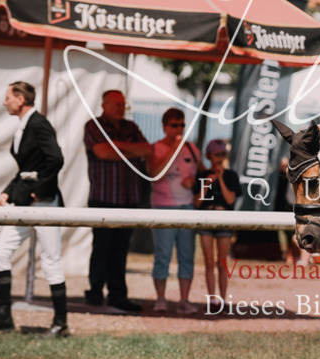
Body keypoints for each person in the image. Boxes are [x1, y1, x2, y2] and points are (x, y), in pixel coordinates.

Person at [0, 82, 68, 336]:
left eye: (8, 98)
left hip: (44, 203)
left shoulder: (38, 123)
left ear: (20, 99)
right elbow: (26, 167)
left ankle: (61, 323)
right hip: (24, 203)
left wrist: (40, 190)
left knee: (50, 261)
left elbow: (56, 159)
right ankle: (4, 315)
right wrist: (9, 189)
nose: (4, 102)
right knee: (2, 252)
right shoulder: (25, 125)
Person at [84, 89, 151, 311]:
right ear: (104, 105)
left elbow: (146, 149)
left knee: (121, 248)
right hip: (103, 198)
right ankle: (95, 291)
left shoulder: (130, 127)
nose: (121, 108)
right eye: (117, 104)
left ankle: (117, 295)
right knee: (102, 246)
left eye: (123, 104)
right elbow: (102, 152)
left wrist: (117, 146)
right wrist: (128, 150)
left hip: (128, 198)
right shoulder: (93, 126)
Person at [147, 109, 202, 314]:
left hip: (187, 207)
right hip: (163, 207)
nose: (179, 129)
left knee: (187, 255)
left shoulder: (192, 148)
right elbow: (153, 174)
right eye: (174, 125)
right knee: (163, 254)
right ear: (164, 126)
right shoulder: (157, 147)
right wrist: (173, 150)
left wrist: (195, 184)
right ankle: (160, 298)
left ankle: (184, 299)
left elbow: (204, 174)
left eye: (182, 125)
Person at [194, 139, 240, 311]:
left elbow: (229, 200)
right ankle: (212, 299)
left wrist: (220, 178)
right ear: (209, 156)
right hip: (206, 220)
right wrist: (207, 182)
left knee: (222, 262)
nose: (220, 158)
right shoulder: (201, 175)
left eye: (223, 154)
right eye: (217, 154)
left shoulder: (231, 176)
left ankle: (223, 299)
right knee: (208, 262)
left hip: (224, 220)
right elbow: (197, 202)